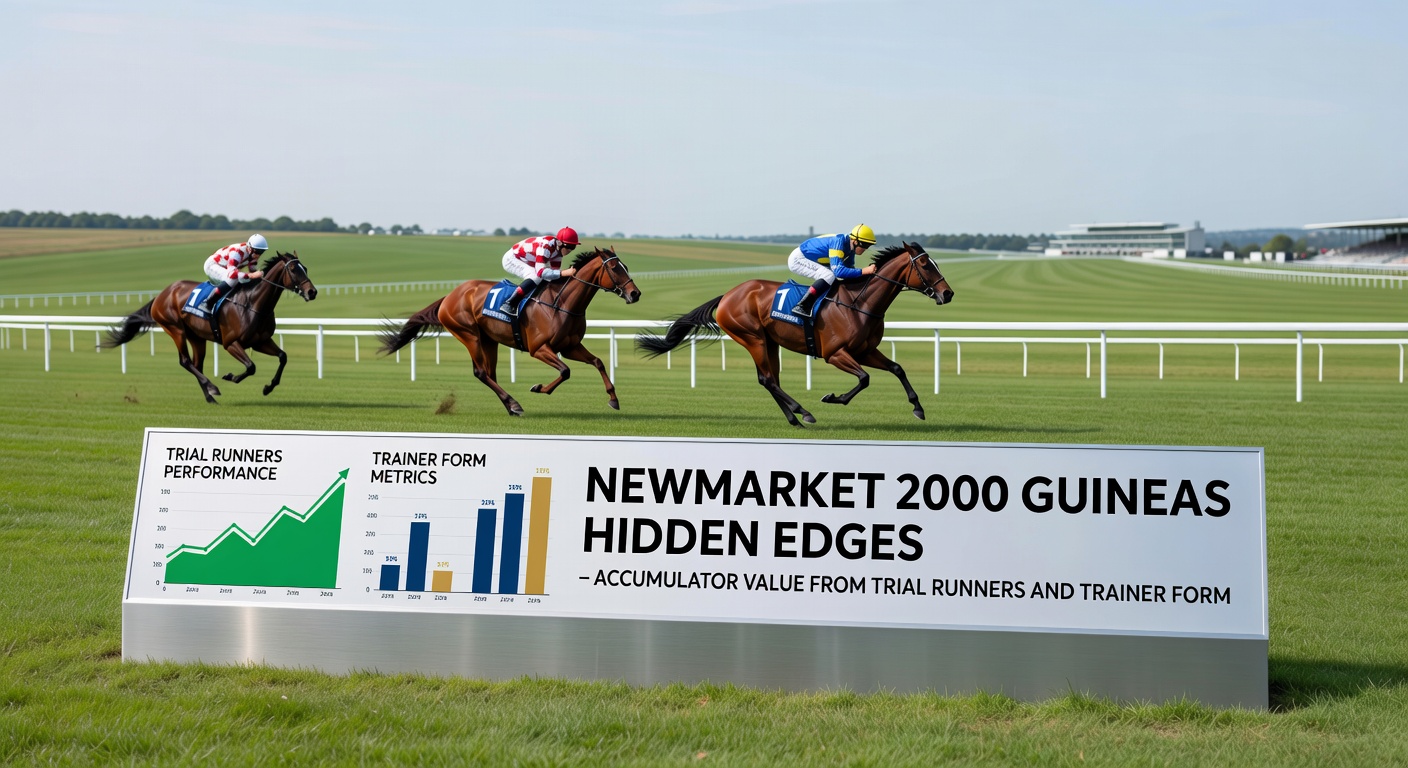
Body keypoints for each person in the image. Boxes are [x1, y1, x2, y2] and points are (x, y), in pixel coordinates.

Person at [789, 224, 878, 317]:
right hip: (799, 259)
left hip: (811, 259)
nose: (866, 248)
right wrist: (863, 271)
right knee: (829, 275)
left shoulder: (850, 247)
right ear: (855, 242)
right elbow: (839, 272)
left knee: (833, 279)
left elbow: (849, 269)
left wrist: (866, 275)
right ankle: (802, 305)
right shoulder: (838, 243)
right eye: (865, 245)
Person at [501, 227, 580, 317]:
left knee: (548, 277)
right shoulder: (546, 247)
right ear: (559, 243)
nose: (570, 250)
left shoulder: (558, 251)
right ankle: (509, 303)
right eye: (569, 246)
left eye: (573, 247)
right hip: (512, 259)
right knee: (536, 276)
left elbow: (553, 274)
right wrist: (563, 273)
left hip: (527, 259)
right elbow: (541, 272)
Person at [200, 234, 268, 312]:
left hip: (225, 268)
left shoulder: (252, 255)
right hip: (212, 265)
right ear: (249, 248)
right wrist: (251, 275)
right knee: (233, 279)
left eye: (261, 252)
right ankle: (208, 303)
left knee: (246, 280)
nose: (258, 255)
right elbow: (232, 274)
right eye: (257, 251)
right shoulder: (237, 252)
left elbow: (253, 270)